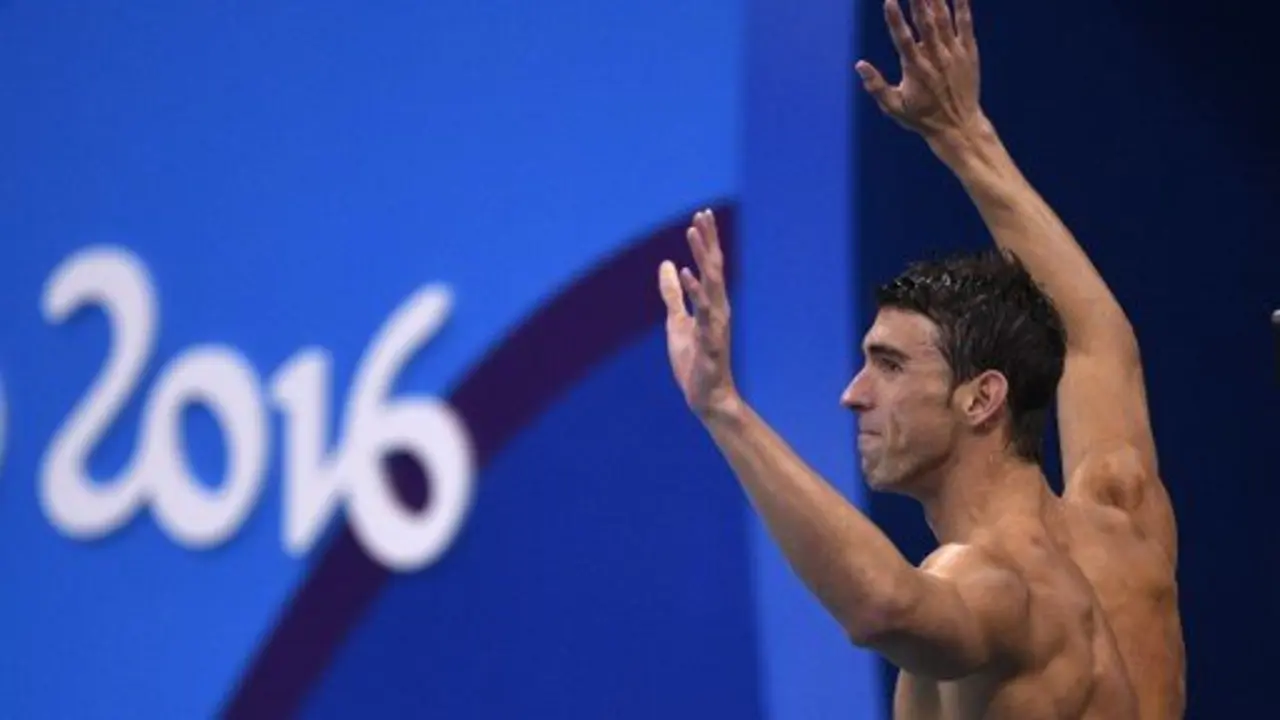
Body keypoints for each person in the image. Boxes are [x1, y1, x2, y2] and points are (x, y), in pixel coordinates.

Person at [657, 0, 1184, 716]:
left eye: (890, 365)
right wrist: (963, 135)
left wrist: (726, 411)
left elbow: (886, 609)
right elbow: (1097, 341)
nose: (853, 394)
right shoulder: (1122, 526)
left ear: (981, 398)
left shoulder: (995, 579)